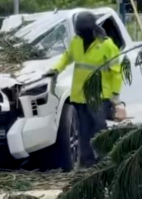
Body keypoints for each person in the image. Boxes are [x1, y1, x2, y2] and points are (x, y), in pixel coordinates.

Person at [43, 11, 123, 168]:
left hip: (98, 96)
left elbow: (116, 71)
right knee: (83, 130)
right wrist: (56, 69)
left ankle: (105, 161)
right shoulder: (76, 41)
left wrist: (115, 95)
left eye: (83, 31)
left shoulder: (106, 45)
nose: (81, 34)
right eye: (79, 31)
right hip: (80, 95)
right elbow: (67, 57)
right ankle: (87, 163)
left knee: (99, 128)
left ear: (92, 29)